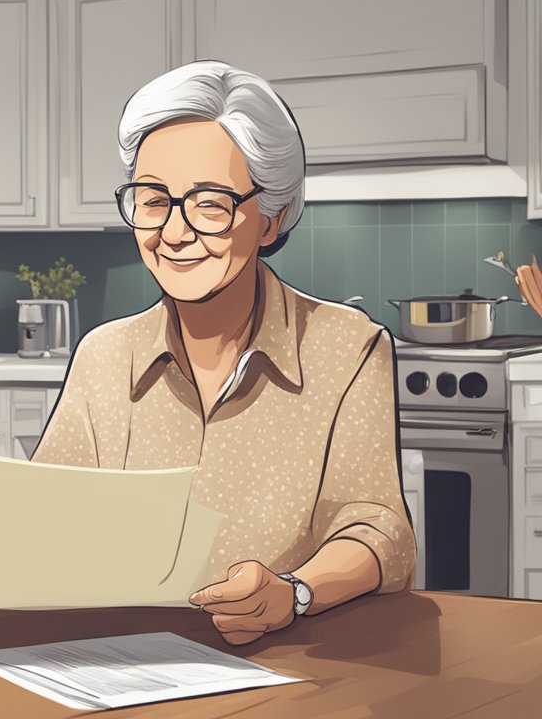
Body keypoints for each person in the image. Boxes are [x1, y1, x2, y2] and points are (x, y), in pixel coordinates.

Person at [32, 60, 415, 645]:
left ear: (271, 218)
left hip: (291, 669)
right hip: (122, 660)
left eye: (210, 203)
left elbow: (376, 528)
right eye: (154, 199)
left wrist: (294, 590)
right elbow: (42, 519)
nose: (175, 233)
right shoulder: (103, 356)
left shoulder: (348, 347)